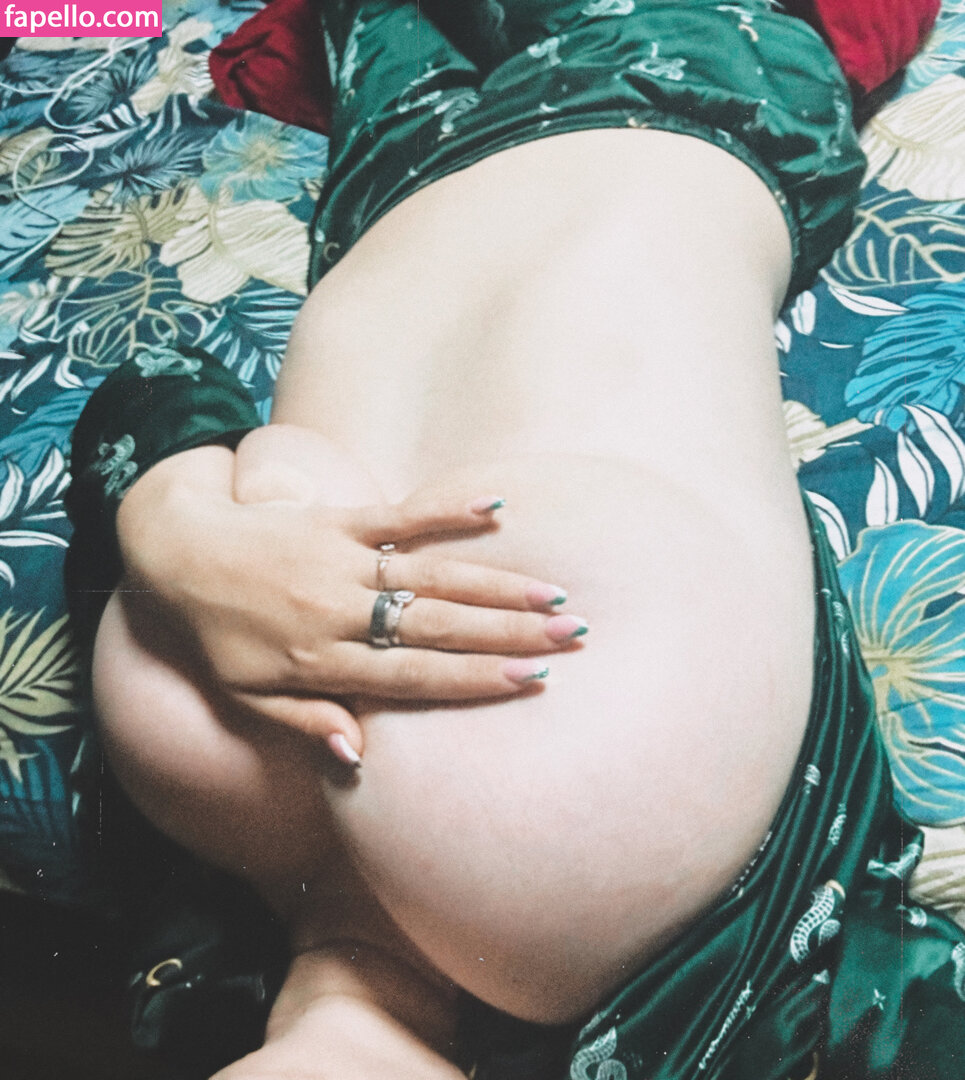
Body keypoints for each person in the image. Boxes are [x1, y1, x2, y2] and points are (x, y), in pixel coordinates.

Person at [65, 1, 965, 1077]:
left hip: (392, 178)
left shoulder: (191, 975)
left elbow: (150, 391)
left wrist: (173, 527)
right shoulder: (771, 1036)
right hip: (677, 90)